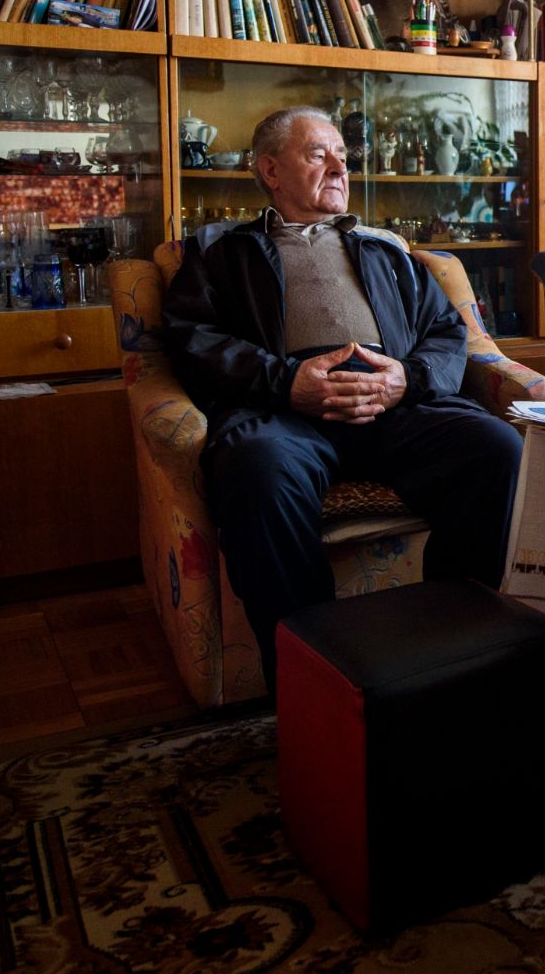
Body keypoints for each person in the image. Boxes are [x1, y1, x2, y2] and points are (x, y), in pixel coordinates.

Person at [162, 105, 524, 688]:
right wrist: (286, 382)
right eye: (318, 154)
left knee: (496, 448)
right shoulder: (222, 249)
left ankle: (452, 640)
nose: (339, 167)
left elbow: (445, 332)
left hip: (395, 406)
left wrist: (406, 379)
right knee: (258, 471)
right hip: (282, 411)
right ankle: (314, 675)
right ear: (270, 170)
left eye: (343, 157)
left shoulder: (385, 249)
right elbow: (193, 339)